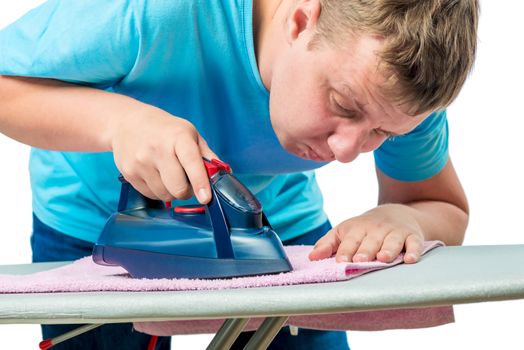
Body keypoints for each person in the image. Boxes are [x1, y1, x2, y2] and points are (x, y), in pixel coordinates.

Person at [0, 0, 478, 349]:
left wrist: (402, 218)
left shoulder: (399, 96)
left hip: (282, 229)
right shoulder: (156, 12)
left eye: (381, 135)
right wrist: (119, 122)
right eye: (341, 105)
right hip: (93, 221)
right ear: (299, 21)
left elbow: (442, 206)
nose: (346, 152)